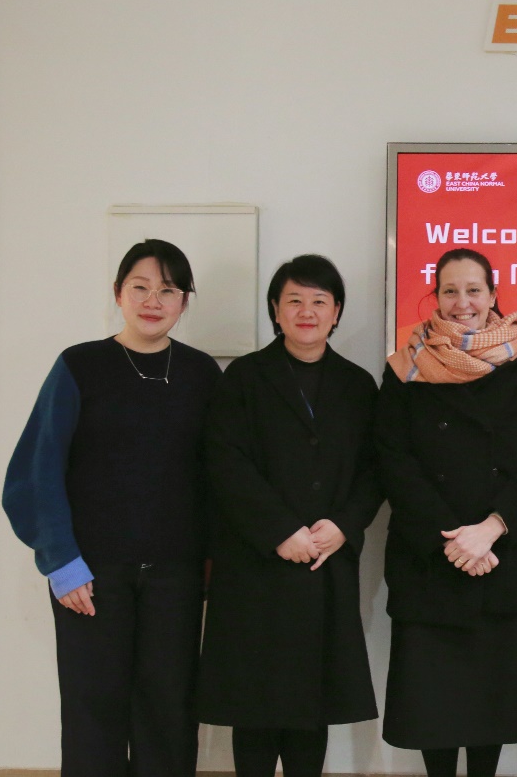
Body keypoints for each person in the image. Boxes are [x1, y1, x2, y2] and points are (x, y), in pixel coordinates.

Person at [2, 239, 221, 776]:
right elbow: (36, 470)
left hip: (176, 575)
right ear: (118, 293)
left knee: (169, 711)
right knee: (92, 712)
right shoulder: (80, 365)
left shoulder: (202, 374)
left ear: (184, 301)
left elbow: (219, 475)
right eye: (140, 287)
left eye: (168, 290)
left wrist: (216, 561)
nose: (153, 301)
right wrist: (61, 562)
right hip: (90, 576)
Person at [376, 248, 517, 777]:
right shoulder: (404, 371)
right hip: (431, 560)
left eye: (474, 290)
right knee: (433, 712)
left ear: (493, 295)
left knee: (491, 709)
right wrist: (456, 541)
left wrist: (492, 529)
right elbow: (393, 462)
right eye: (450, 290)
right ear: (435, 297)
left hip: (506, 558)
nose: (463, 302)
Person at [196, 255, 382, 777]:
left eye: (319, 301)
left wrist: (343, 525)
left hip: (325, 563)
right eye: (294, 300)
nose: (307, 311)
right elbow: (225, 462)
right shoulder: (243, 378)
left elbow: (376, 469)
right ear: (275, 310)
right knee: (253, 705)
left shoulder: (358, 384)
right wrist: (279, 530)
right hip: (254, 565)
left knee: (311, 706)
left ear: (336, 311)